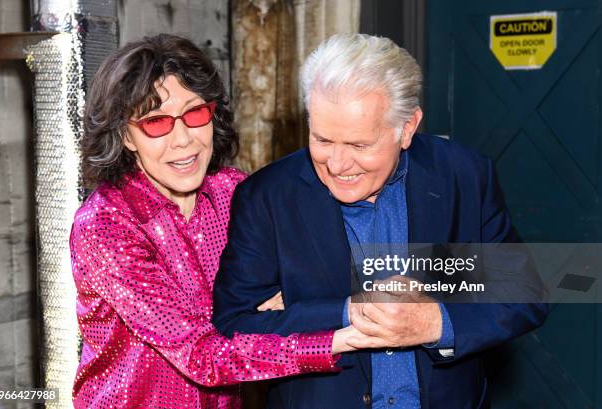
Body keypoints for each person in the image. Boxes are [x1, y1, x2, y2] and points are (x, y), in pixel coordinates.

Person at [212, 33, 548, 408]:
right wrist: (347, 312)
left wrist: (433, 324)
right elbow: (234, 324)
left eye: (359, 145)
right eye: (322, 140)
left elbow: (522, 295)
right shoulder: (267, 196)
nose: (337, 165)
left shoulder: (464, 176)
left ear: (407, 128)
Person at [69, 34, 380, 409]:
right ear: (126, 136)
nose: (183, 140)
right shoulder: (106, 225)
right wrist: (338, 339)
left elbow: (290, 281)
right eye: (155, 122)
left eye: (195, 113)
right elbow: (203, 355)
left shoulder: (234, 192)